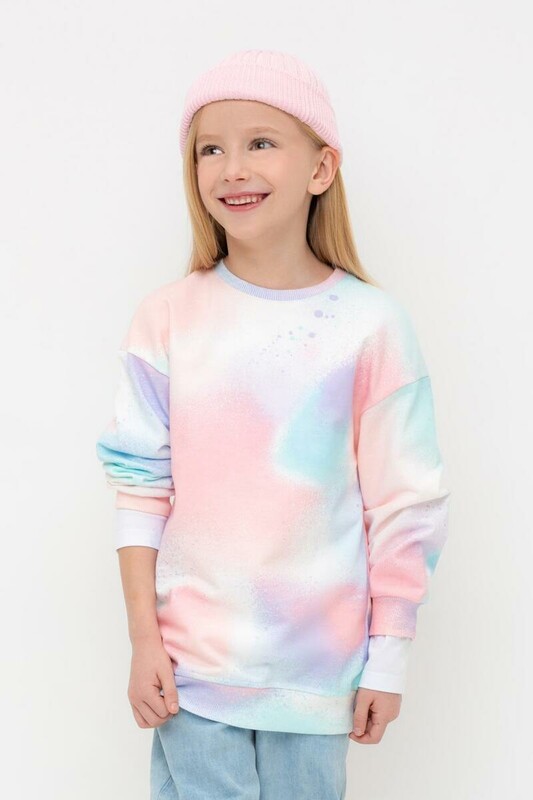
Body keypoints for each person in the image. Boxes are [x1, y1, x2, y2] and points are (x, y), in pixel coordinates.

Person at [96, 49, 450, 800]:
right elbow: (140, 488)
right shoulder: (168, 318)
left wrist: (388, 657)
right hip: (193, 675)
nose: (232, 169)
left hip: (317, 677)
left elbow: (405, 506)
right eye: (210, 150)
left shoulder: (371, 327)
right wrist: (143, 640)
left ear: (321, 167)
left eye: (260, 142)